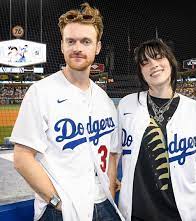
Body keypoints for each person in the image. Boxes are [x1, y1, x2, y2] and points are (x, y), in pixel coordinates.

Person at [11, 2, 124, 221]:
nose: (78, 48)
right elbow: (22, 157)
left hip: (103, 204)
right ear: (62, 46)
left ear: (97, 48)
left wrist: (109, 189)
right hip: (61, 211)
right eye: (70, 41)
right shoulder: (41, 92)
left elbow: (112, 152)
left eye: (86, 41)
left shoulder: (104, 100)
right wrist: (57, 202)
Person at [116, 39, 196, 221]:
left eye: (158, 58)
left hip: (190, 215)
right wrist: (110, 179)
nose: (153, 65)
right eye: (145, 62)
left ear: (170, 62)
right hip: (138, 214)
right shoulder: (127, 105)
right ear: (141, 73)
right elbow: (113, 150)